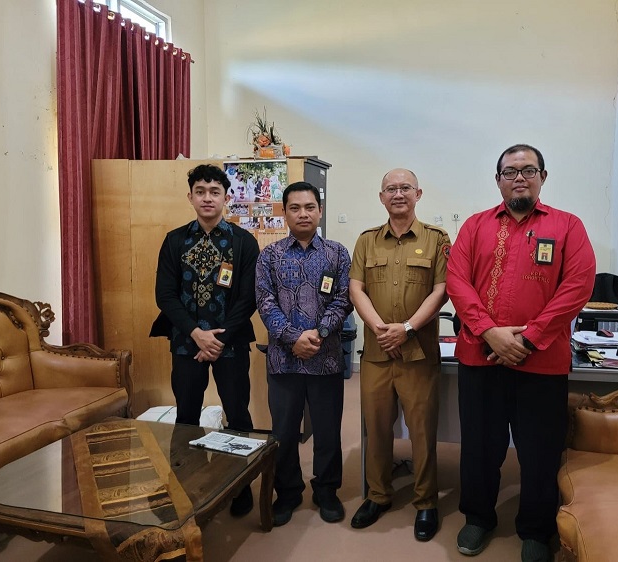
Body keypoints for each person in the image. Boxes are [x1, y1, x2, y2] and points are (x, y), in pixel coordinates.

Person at [446, 144, 596, 560]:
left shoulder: (568, 226)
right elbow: (457, 281)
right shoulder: (474, 226)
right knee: (479, 447)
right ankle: (478, 518)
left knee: (539, 451)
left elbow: (579, 285)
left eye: (528, 170)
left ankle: (535, 530)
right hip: (480, 358)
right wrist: (489, 332)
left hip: (542, 363)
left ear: (542, 177)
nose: (519, 178)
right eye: (510, 172)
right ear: (498, 180)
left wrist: (529, 339)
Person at [150, 163, 260, 518]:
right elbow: (165, 295)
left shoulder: (244, 242)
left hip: (230, 342)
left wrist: (218, 339)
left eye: (215, 192)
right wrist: (196, 334)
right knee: (186, 415)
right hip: (187, 343)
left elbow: (248, 298)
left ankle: (240, 486)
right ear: (190, 197)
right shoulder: (175, 240)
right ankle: (185, 483)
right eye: (201, 192)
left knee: (238, 414)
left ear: (226, 198)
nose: (207, 198)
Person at [349, 168, 450, 542]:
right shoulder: (366, 241)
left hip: (418, 354)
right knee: (376, 429)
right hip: (377, 354)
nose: (398, 193)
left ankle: (426, 502)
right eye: (390, 188)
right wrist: (381, 328)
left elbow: (442, 290)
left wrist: (406, 328)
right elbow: (356, 288)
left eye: (405, 187)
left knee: (422, 431)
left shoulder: (437, 239)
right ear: (381, 197)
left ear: (418, 194)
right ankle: (378, 495)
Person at [255, 181, 353, 527]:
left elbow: (344, 299)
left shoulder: (338, 254)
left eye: (309, 207)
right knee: (283, 432)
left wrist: (320, 332)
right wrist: (294, 337)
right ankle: (288, 492)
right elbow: (265, 302)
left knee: (327, 431)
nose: (303, 214)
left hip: (326, 359)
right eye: (295, 208)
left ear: (320, 211)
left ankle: (326, 491)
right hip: (283, 361)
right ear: (284, 213)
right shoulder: (269, 255)